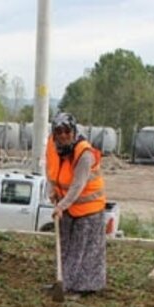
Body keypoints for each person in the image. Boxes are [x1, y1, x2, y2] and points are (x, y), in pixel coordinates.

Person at [46, 113, 107, 295]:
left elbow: (78, 185)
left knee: (83, 250)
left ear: (73, 131)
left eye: (66, 131)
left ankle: (82, 288)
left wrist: (61, 206)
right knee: (66, 247)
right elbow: (50, 170)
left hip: (89, 209)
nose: (63, 135)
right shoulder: (54, 147)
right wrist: (52, 190)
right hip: (68, 207)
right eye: (59, 131)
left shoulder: (84, 154)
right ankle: (63, 284)